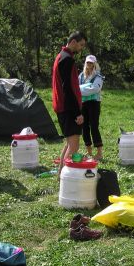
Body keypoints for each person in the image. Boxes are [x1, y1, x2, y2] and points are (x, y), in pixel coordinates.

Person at [52, 31, 87, 178]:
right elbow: (68, 89)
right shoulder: (67, 59)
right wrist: (77, 113)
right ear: (73, 41)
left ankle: (61, 175)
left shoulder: (61, 56)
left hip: (62, 106)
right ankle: (66, 179)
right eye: (80, 45)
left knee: (69, 144)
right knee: (74, 145)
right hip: (67, 108)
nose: (81, 48)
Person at [79, 55, 104, 160]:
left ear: (95, 64)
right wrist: (85, 88)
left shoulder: (98, 76)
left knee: (94, 126)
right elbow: (76, 88)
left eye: (91, 63)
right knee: (84, 127)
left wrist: (80, 89)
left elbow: (94, 89)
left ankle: (99, 152)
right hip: (83, 104)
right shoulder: (81, 76)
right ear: (85, 63)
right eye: (88, 62)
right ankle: (89, 151)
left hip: (94, 103)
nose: (89, 64)